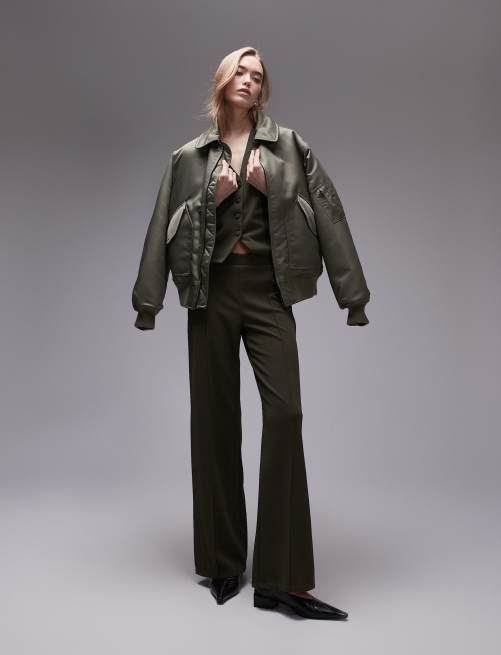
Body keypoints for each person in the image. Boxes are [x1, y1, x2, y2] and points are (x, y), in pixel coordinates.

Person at [131, 47, 371, 620]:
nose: (249, 80)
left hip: (268, 292)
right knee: (213, 421)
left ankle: (280, 579)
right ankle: (222, 561)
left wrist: (353, 295)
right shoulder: (188, 158)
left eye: (257, 76)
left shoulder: (289, 147)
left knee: (285, 415)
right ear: (222, 81)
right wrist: (149, 300)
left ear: (264, 90)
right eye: (239, 71)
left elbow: (329, 214)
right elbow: (160, 224)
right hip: (211, 293)